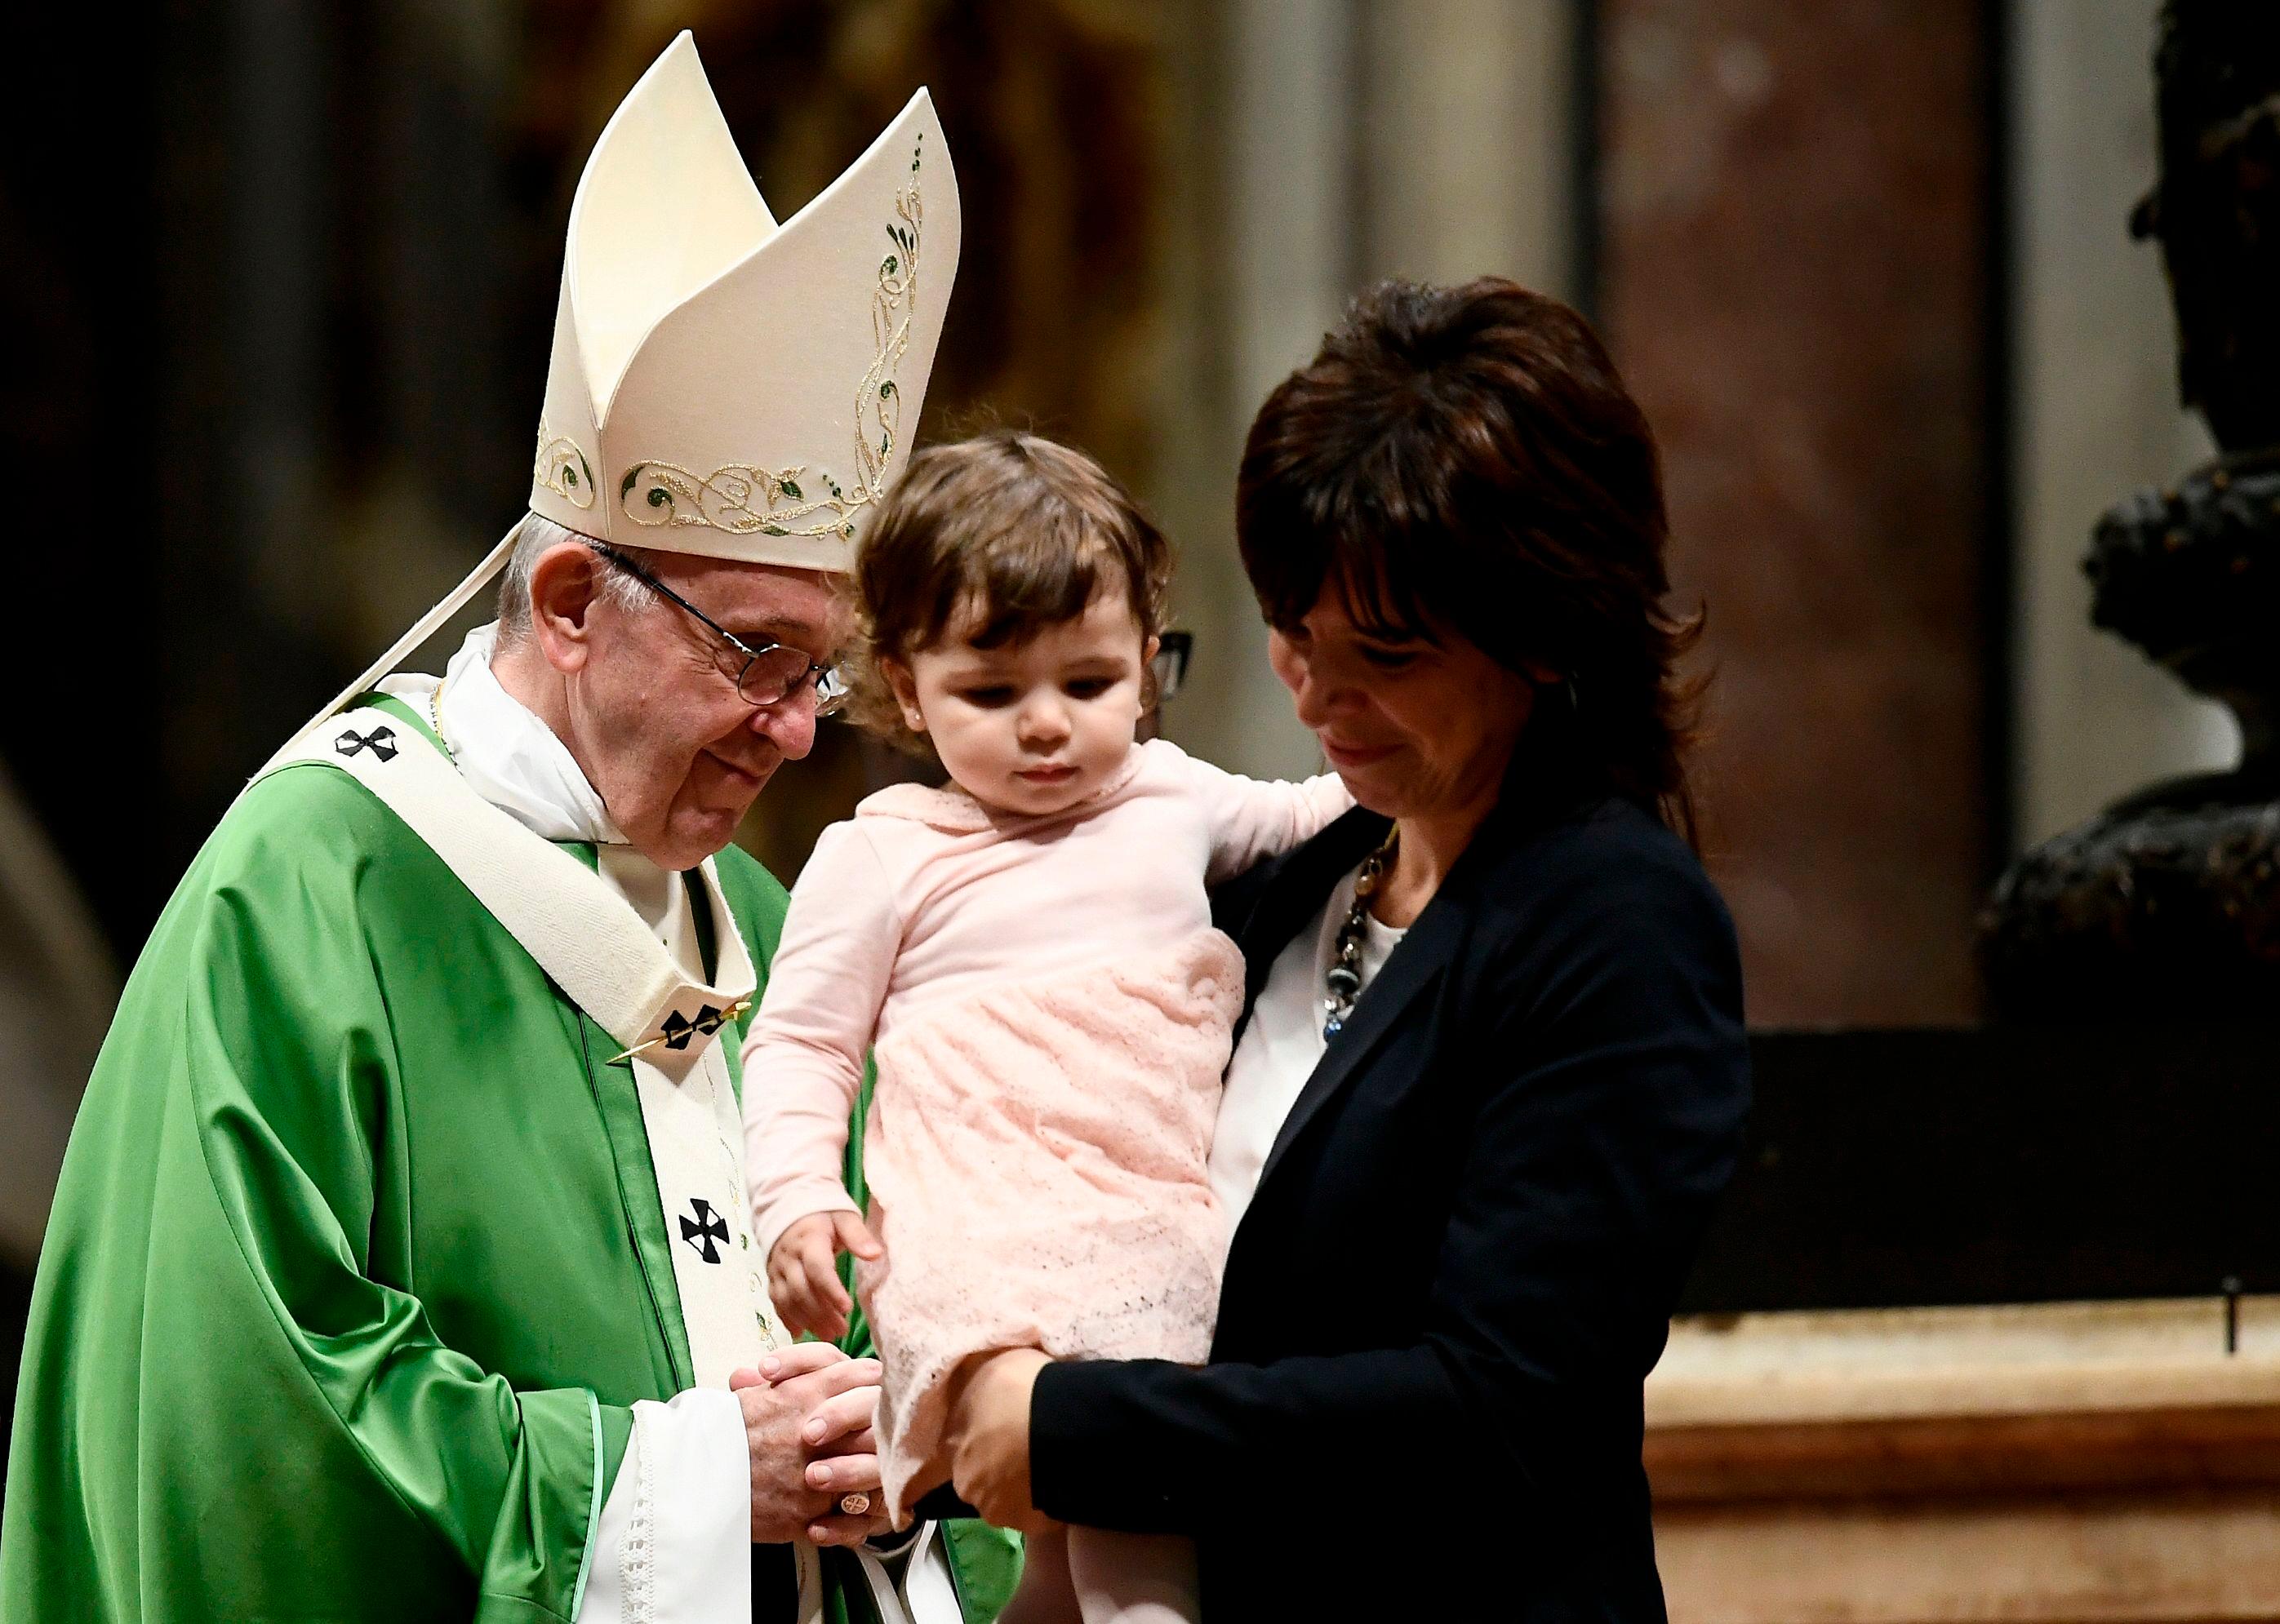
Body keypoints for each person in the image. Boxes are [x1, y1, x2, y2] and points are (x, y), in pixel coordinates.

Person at [0, 34, 1018, 1624]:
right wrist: (689, 1481)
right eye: (754, 654)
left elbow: (926, 1311)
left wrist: (898, 1450)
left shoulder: (759, 922)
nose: (797, 727)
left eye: (820, 672)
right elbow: (242, 1416)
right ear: (567, 600)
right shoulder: (310, 891)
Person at [941, 277, 1753, 1620]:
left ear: (1546, 632)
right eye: (1288, 629)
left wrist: (1074, 1426)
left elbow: (1499, 1411)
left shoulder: (1615, 921)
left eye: (1382, 649)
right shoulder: (1300, 868)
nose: (1318, 694)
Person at [740, 431, 1350, 1624]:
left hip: (1152, 1206)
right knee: (1127, 1504)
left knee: (1073, 1550)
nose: (1046, 726)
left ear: (1145, 666)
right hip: (987, 1233)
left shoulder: (1172, 794)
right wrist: (797, 1200)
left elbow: (1316, 815)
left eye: (1089, 684)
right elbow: (802, 1044)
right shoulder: (883, 854)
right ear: (906, 685)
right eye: (991, 691)